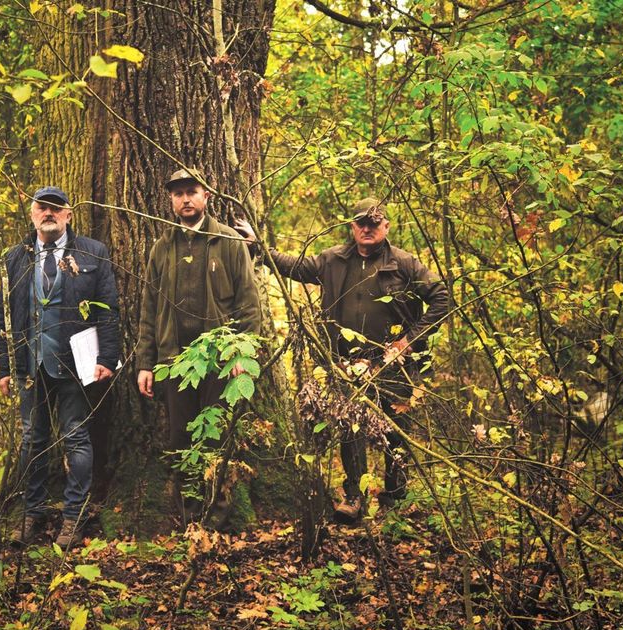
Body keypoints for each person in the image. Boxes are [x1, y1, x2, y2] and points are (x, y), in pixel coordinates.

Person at [235, 197, 449, 521]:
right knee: (351, 430)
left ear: (386, 227)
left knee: (396, 432)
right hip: (345, 364)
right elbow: (294, 265)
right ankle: (355, 498)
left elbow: (441, 296)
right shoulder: (332, 260)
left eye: (374, 223)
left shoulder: (403, 263)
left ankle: (396, 502)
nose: (367, 228)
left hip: (393, 363)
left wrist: (408, 340)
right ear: (352, 226)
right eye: (361, 223)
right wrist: (258, 247)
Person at [136, 169, 263, 522]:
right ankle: (190, 517)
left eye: (192, 192)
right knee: (180, 437)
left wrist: (241, 351)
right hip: (176, 361)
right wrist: (145, 363)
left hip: (220, 360)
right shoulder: (162, 248)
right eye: (178, 194)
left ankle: (216, 517)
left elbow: (249, 303)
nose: (185, 199)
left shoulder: (229, 242)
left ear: (206, 196)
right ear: (171, 201)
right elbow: (148, 309)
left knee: (215, 437)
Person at [0, 186, 119, 549]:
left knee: (76, 439)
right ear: (32, 214)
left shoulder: (92, 252)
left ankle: (72, 516)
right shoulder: (14, 257)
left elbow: (107, 309)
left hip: (75, 364)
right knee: (31, 441)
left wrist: (106, 359)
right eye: (41, 208)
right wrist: (7, 366)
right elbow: (7, 318)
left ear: (68, 215)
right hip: (30, 366)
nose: (48, 213)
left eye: (56, 208)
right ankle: (31, 513)